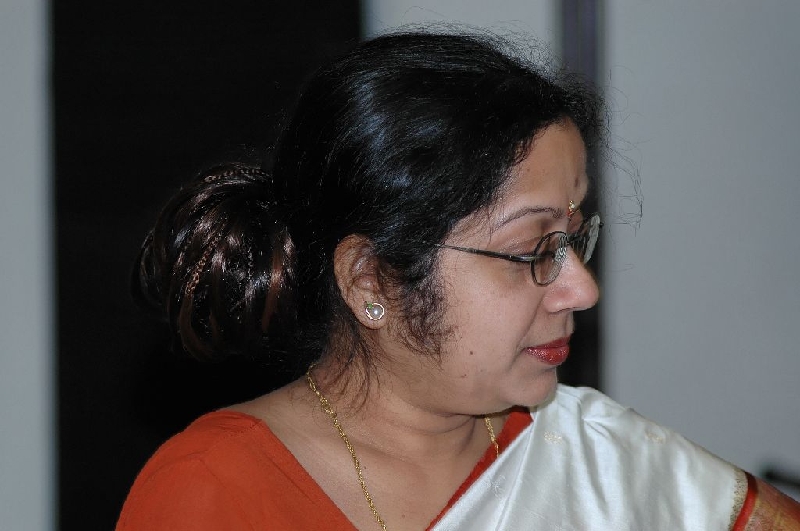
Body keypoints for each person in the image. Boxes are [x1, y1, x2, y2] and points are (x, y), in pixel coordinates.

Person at [116, 31, 800, 530]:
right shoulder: (217, 491)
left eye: (574, 238)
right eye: (532, 250)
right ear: (370, 280)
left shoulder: (603, 467)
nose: (582, 289)